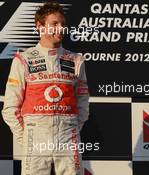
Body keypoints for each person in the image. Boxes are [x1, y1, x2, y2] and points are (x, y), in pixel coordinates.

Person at [1, 2, 89, 175]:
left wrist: (72, 129)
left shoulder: (76, 60)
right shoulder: (23, 59)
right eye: (54, 24)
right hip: (35, 135)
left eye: (63, 24)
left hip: (67, 135)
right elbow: (10, 108)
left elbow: (83, 101)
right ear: (39, 27)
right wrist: (27, 137)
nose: (61, 28)